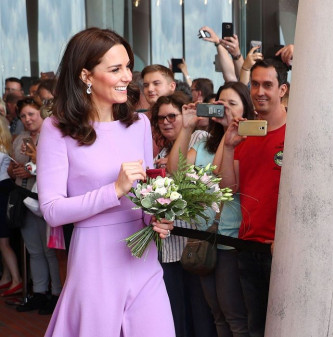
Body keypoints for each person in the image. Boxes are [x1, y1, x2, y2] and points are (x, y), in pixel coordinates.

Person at [36, 27, 174, 336]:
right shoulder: (56, 128)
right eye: (115, 69)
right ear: (86, 75)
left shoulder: (138, 122)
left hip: (143, 259)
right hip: (94, 263)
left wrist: (159, 217)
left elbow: (149, 192)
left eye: (128, 67)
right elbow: (53, 210)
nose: (127, 76)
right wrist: (113, 190)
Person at [173, 82, 254, 337]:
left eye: (232, 104)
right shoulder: (205, 142)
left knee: (235, 317)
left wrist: (229, 133)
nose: (225, 109)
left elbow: (223, 181)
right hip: (204, 236)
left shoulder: (245, 141)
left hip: (229, 240)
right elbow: (176, 174)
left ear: (245, 109)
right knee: (217, 315)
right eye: (221, 104)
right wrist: (186, 127)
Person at [219, 58, 289, 337]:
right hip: (248, 246)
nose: (260, 91)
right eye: (255, 84)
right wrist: (227, 146)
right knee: (255, 328)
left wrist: (288, 241)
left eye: (268, 85)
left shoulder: (296, 132)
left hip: (282, 250)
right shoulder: (244, 134)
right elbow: (228, 188)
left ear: (283, 89)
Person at [150, 92, 216, 337]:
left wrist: (188, 126)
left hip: (195, 245)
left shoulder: (200, 137)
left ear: (185, 115)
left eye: (172, 116)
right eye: (160, 118)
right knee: (176, 313)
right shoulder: (159, 155)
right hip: (169, 249)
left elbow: (178, 173)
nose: (166, 121)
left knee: (201, 314)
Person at [8, 98, 62, 314]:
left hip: (45, 199)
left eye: (31, 114)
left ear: (41, 114)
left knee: (50, 251)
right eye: (23, 116)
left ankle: (55, 293)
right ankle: (39, 293)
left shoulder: (52, 136)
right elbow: (11, 168)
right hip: (24, 198)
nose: (27, 119)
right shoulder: (19, 138)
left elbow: (53, 166)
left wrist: (32, 168)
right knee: (34, 250)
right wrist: (15, 171)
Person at [0, 117, 22, 298]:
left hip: (3, 199)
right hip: (4, 196)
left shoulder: (2, 154)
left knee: (4, 242)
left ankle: (16, 279)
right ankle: (8, 277)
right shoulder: (5, 152)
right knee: (2, 242)